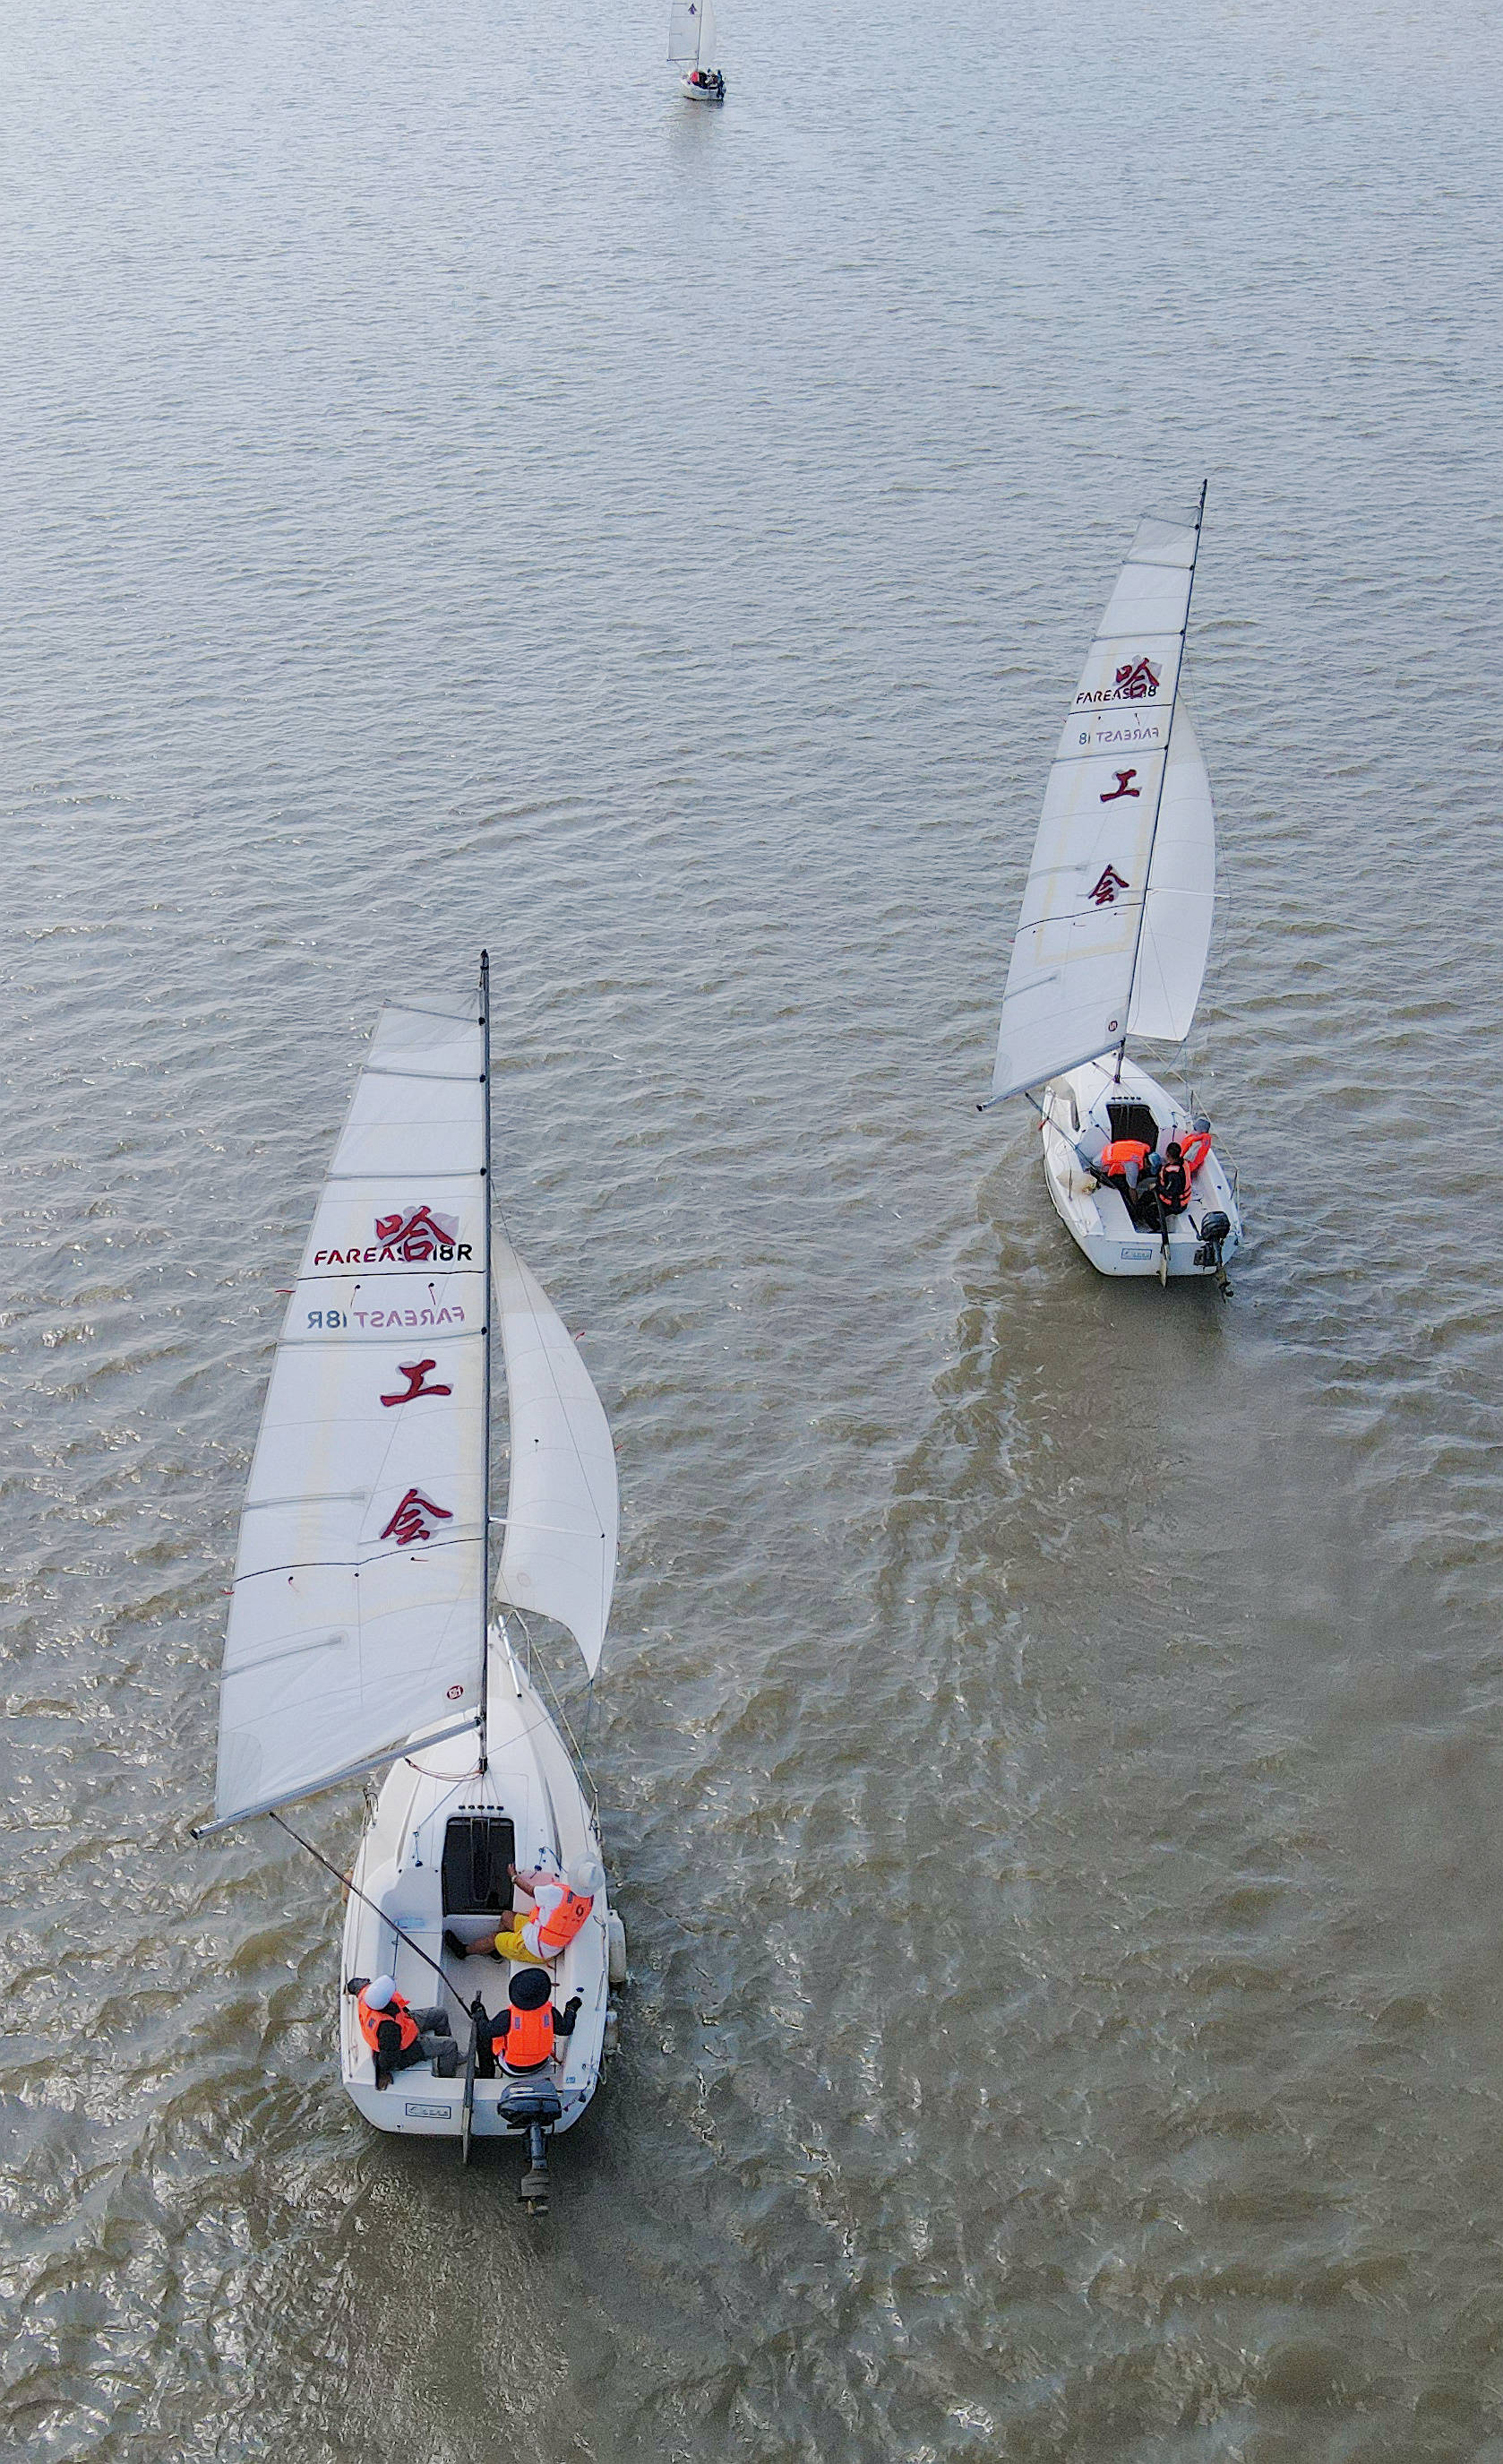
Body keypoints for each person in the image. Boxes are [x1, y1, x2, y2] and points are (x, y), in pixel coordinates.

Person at [444, 1856, 604, 1969]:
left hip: (535, 1948)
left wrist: (514, 1876)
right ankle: (498, 1950)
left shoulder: (557, 1893)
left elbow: (531, 1891)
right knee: (507, 1916)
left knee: (495, 1938)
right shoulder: (589, 1900)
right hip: (541, 1935)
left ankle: (464, 1951)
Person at [347, 1974, 458, 2085]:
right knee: (450, 2046)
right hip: (406, 2048)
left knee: (440, 2013)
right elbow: (389, 2056)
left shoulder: (367, 1992)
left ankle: (448, 2055)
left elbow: (353, 1984)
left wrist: (347, 1988)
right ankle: (447, 2077)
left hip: (405, 2023)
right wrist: (383, 2073)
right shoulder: (388, 2028)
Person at [481, 1968, 583, 2079]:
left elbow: (485, 2031)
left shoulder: (507, 2017)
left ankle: (486, 2074)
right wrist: (571, 2009)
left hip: (512, 2068)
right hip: (541, 2062)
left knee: (483, 2038)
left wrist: (480, 2014)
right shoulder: (550, 2013)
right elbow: (566, 2029)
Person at [1156, 1141, 1190, 1216]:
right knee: (1146, 1196)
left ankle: (1156, 1226)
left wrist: (1156, 1187)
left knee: (1148, 1212)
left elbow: (1170, 1192)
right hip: (1179, 1200)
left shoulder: (1173, 1175)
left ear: (1167, 1154)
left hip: (1175, 1205)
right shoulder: (1184, 1163)